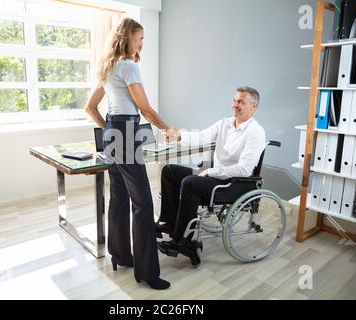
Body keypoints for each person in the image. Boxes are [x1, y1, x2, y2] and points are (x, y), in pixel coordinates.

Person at [85, 18, 172, 290]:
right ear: (128, 37)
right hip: (126, 130)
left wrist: (111, 131)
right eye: (140, 37)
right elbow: (145, 110)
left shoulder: (108, 66)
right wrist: (169, 129)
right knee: (143, 203)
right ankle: (147, 272)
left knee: (119, 198)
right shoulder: (129, 66)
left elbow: (91, 108)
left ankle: (121, 255)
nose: (142, 43)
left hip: (113, 131)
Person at [158, 87, 266, 266]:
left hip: (236, 183)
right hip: (218, 177)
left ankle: (185, 242)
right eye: (234, 100)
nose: (235, 105)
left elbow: (244, 170)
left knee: (190, 182)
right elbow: (201, 136)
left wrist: (211, 172)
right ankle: (170, 223)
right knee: (169, 171)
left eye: (241, 102)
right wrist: (178, 135)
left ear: (254, 106)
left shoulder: (256, 132)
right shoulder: (225, 123)